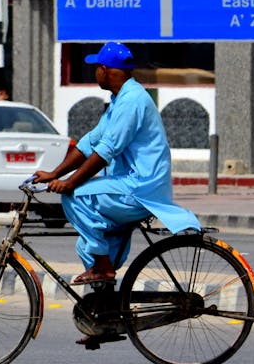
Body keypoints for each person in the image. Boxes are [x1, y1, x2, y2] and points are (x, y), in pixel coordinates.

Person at [33, 41, 201, 286]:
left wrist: (69, 183)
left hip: (139, 187)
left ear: (105, 69)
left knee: (75, 197)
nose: (95, 74)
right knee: (87, 246)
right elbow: (91, 141)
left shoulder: (132, 102)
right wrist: (54, 173)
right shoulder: (120, 100)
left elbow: (105, 151)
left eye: (96, 69)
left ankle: (103, 268)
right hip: (127, 184)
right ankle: (108, 307)